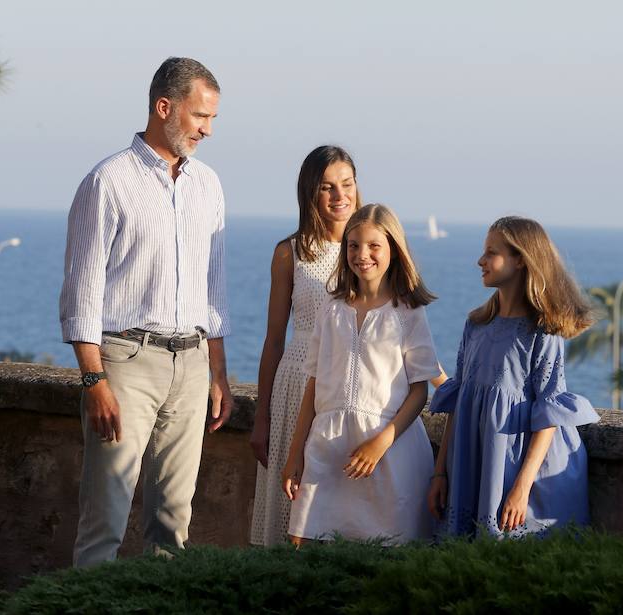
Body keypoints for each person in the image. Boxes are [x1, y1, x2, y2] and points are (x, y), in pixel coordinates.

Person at [59, 57, 234, 566]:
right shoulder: (108, 181)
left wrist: (219, 374)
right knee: (104, 520)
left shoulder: (209, 185)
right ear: (164, 107)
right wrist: (94, 381)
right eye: (200, 116)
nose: (207, 129)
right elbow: (82, 292)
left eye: (212, 118)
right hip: (126, 363)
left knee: (173, 526)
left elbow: (213, 289)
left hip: (192, 364)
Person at [426, 216, 599, 537]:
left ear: (520, 259)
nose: (480, 261)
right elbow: (457, 404)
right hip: (472, 461)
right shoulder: (476, 325)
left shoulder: (543, 332)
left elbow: (549, 415)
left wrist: (522, 488)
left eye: (491, 253)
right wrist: (440, 473)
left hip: (518, 469)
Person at [281, 204, 440, 545]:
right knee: (306, 544)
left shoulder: (409, 312)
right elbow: (314, 383)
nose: (362, 254)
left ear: (393, 250)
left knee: (386, 553)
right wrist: (295, 455)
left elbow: (419, 391)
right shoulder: (331, 309)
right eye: (353, 245)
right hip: (328, 450)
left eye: (373, 246)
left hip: (389, 453)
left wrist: (380, 444)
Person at [248, 145, 362, 546]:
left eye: (347, 183)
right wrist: (261, 417)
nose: (339, 195)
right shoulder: (290, 252)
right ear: (310, 192)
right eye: (327, 187)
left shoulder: (371, 250)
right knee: (290, 509)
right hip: (295, 385)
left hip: (348, 390)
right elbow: (274, 339)